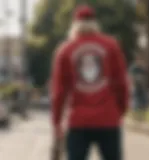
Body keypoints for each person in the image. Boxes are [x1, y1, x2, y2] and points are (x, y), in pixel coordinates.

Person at [50, 5, 129, 160]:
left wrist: (57, 122)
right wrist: (121, 110)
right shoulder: (111, 46)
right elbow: (122, 83)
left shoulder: (65, 50)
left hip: (77, 121)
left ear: (74, 25)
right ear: (95, 23)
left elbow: (58, 91)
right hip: (108, 118)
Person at [129, 53, 148, 121]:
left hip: (141, 87)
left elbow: (145, 77)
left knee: (143, 101)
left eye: (141, 60)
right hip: (135, 87)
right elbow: (131, 77)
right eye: (139, 60)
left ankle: (142, 117)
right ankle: (135, 116)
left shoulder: (142, 69)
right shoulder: (133, 68)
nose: (140, 61)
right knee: (136, 101)